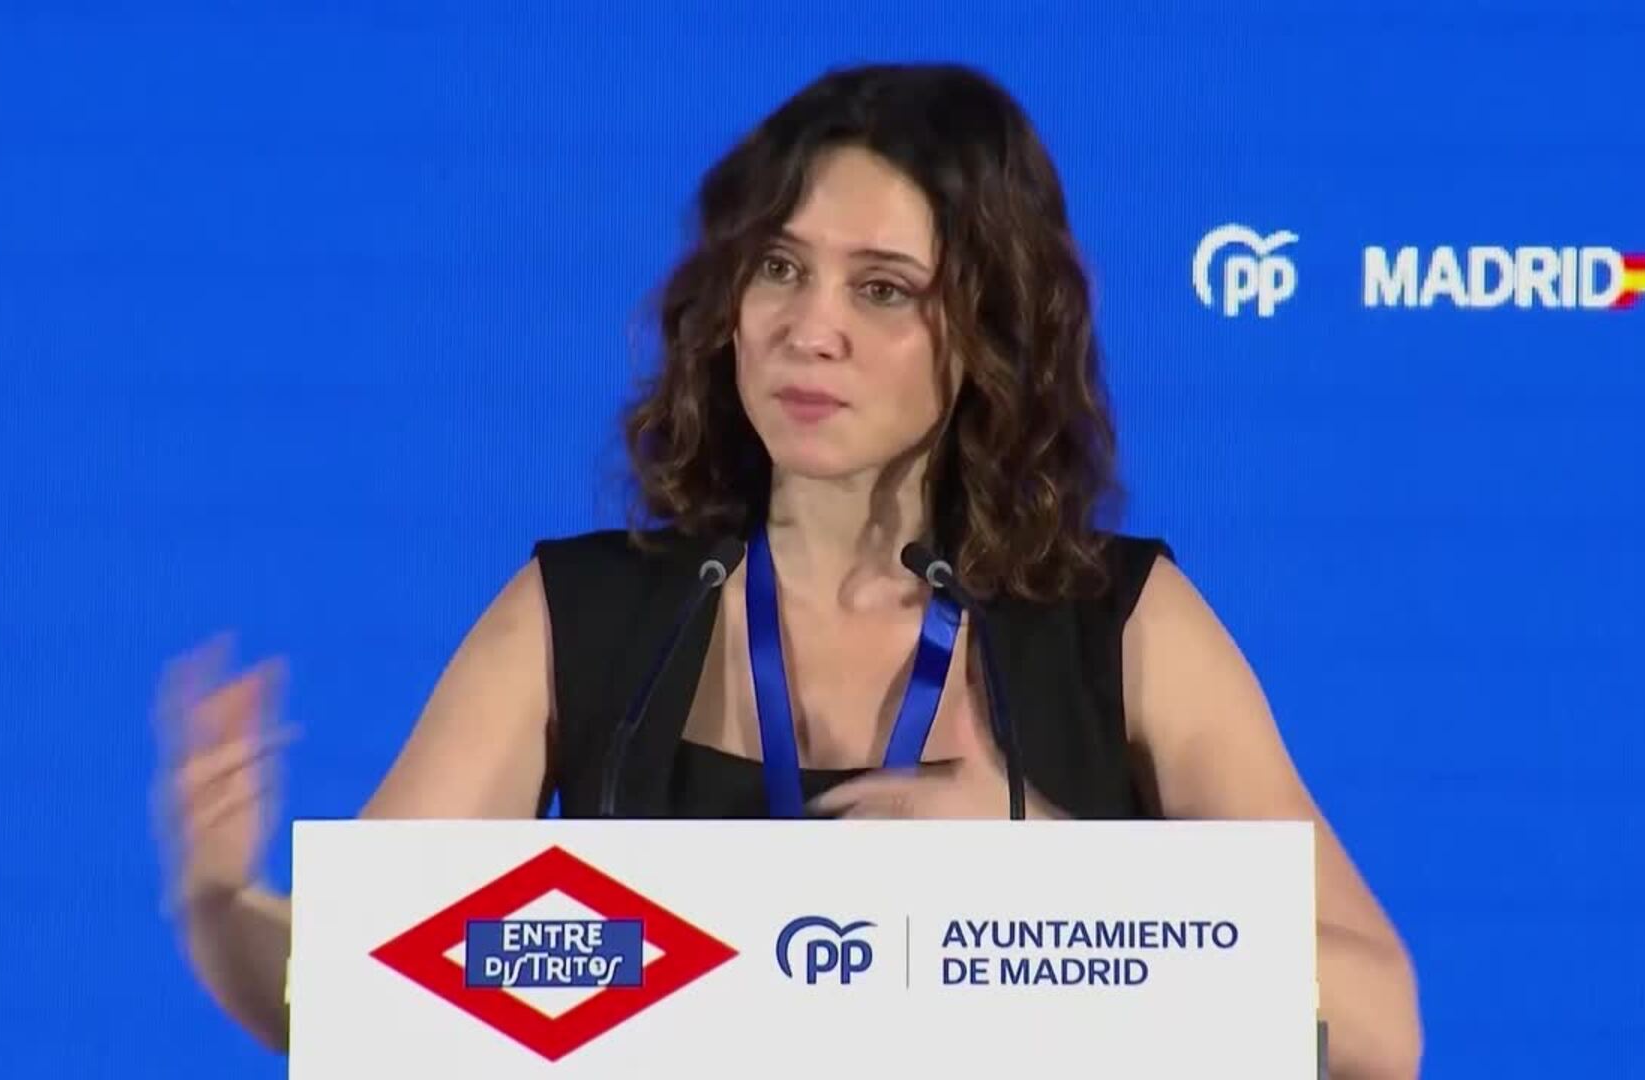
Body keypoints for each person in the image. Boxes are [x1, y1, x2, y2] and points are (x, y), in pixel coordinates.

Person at [154, 62, 1422, 1078]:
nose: (810, 328)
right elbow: (367, 992)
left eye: (883, 289)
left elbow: (1377, 1026)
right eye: (779, 267)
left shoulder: (1116, 624)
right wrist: (219, 903)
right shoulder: (581, 614)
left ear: (989, 332)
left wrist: (1059, 879)